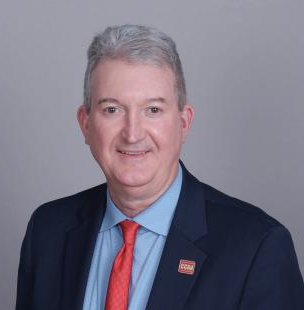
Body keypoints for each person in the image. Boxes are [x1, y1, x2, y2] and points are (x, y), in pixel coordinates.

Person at [16, 24, 304, 310]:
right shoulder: (48, 231)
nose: (133, 133)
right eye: (112, 109)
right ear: (86, 123)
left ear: (183, 123)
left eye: (152, 110)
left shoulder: (256, 247)